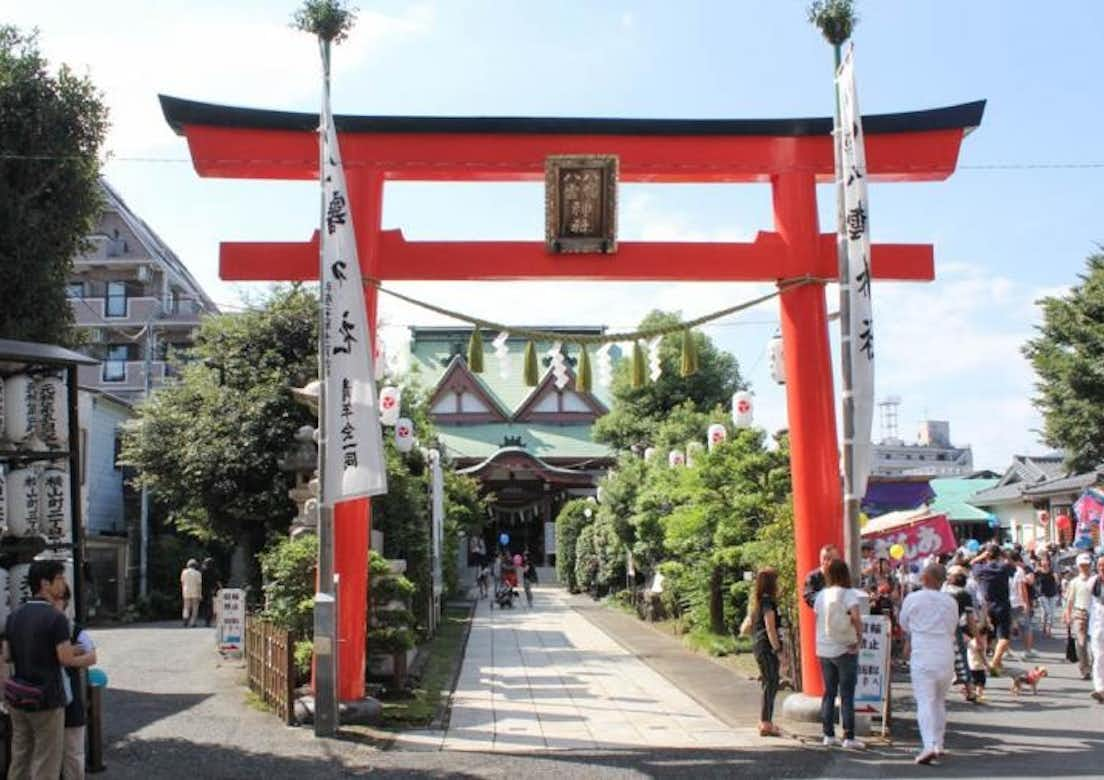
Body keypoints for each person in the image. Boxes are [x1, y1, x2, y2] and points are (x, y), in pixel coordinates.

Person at [3, 560, 96, 780]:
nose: (63, 584)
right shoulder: (56, 619)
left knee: (20, 755)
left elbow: (7, 655)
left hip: (18, 696)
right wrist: (79, 653)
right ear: (45, 584)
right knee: (46, 761)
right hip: (47, 698)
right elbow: (64, 659)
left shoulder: (14, 616)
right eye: (60, 579)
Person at [900, 562, 959, 765]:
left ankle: (929, 744)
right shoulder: (951, 601)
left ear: (926, 578)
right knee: (939, 700)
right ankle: (939, 743)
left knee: (925, 700)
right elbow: (953, 626)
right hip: (945, 652)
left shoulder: (913, 598)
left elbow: (903, 622)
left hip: (923, 652)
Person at [813, 559, 864, 750]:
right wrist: (859, 638)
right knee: (847, 694)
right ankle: (849, 737)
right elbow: (857, 618)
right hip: (845, 648)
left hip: (824, 649)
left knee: (829, 692)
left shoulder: (821, 596)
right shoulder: (848, 594)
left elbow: (819, 620)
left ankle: (828, 735)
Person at [50, 583, 96, 780]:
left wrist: (67, 658)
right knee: (49, 755)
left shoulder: (74, 629)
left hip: (70, 699)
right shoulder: (41, 625)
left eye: (57, 600)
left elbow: (92, 656)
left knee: (73, 754)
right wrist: (69, 654)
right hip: (48, 701)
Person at [970, 544, 1015, 675]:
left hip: (986, 606)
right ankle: (995, 662)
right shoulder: (1004, 568)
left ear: (987, 555)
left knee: (984, 635)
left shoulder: (982, 569)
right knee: (1004, 636)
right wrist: (1005, 555)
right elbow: (1014, 567)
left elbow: (972, 562)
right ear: (999, 555)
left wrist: (982, 555)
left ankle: (982, 662)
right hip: (1003, 605)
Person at [750, 567, 784, 737]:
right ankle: (766, 722)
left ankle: (765, 720)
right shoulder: (767, 603)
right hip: (766, 647)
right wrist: (777, 649)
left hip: (759, 645)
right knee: (771, 682)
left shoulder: (759, 601)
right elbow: (770, 628)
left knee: (769, 682)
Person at [943, 566, 977, 701]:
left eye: (949, 574)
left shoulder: (942, 591)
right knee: (960, 658)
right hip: (952, 628)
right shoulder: (964, 594)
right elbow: (970, 620)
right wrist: (977, 637)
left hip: (934, 629)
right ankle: (969, 690)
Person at [1064, 553, 1095, 681]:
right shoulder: (1074, 582)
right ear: (1078, 566)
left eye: (1086, 565)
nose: (1084, 567)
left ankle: (1095, 666)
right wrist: (1067, 614)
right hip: (1079, 613)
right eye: (1082, 565)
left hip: (1095, 614)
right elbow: (1070, 600)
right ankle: (1085, 669)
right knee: (1081, 643)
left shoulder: (1095, 580)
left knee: (1095, 644)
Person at [1009, 553, 1037, 660]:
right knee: (1025, 627)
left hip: (1012, 602)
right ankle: (1027, 651)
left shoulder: (1005, 570)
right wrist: (1026, 604)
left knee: (1012, 627)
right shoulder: (1017, 571)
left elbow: (1029, 582)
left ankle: (1010, 650)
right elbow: (1022, 589)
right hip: (1018, 602)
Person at [803, 544, 840, 609]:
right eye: (824, 558)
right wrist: (826, 596)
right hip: (823, 613)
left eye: (831, 559)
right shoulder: (812, 577)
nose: (827, 562)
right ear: (820, 559)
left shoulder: (841, 575)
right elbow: (809, 597)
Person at [1089, 556, 1104, 703]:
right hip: (1097, 624)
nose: (1102, 567)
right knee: (1098, 656)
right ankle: (1099, 689)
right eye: (1100, 565)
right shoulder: (1093, 581)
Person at [1035, 555, 1060, 638]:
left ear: (1049, 561)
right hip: (1042, 594)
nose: (1044, 562)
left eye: (1046, 560)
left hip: (1052, 593)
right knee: (1047, 612)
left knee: (1051, 613)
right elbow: (1033, 581)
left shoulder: (1053, 571)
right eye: (1043, 560)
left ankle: (1047, 628)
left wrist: (1057, 578)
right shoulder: (1038, 571)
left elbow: (1057, 581)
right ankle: (1046, 628)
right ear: (1040, 562)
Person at [180, 559, 202, 628]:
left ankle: (185, 619)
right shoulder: (198, 573)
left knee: (186, 607)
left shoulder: (184, 572)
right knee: (195, 607)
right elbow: (199, 584)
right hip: (195, 591)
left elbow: (182, 582)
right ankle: (193, 622)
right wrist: (200, 594)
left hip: (186, 591)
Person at [200, 557, 221, 628]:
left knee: (205, 605)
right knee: (211, 605)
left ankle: (206, 619)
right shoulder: (215, 571)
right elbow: (218, 581)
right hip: (213, 590)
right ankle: (209, 619)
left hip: (203, 590)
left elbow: (200, 581)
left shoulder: (202, 571)